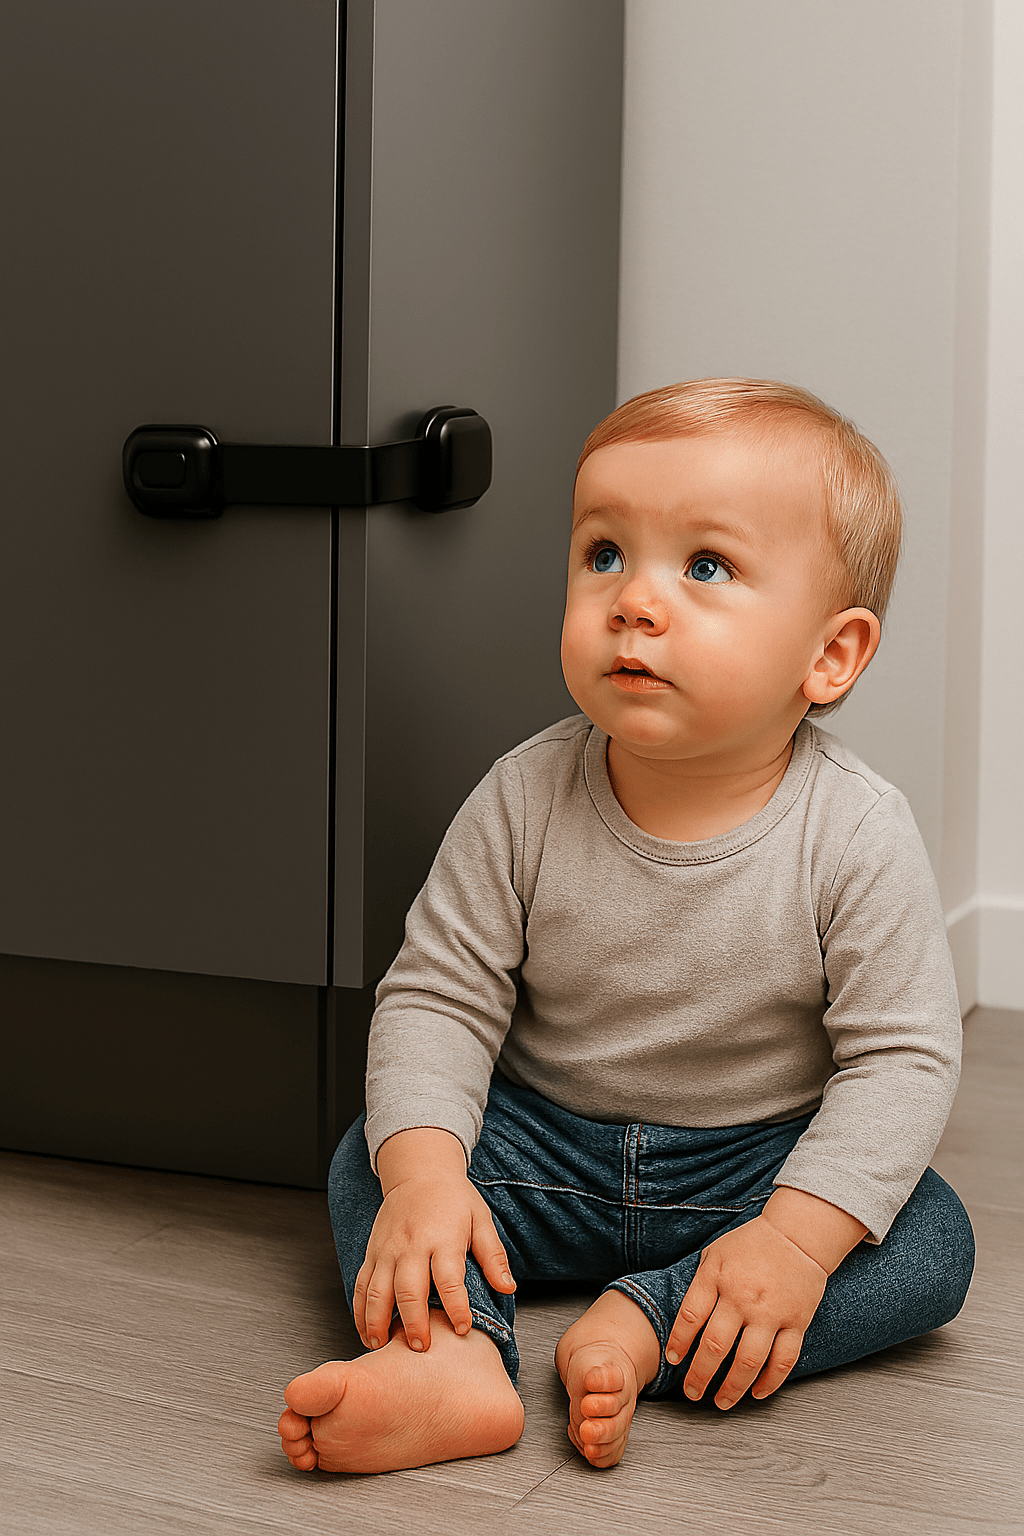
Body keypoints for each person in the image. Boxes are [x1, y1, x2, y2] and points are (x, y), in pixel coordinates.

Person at [277, 378, 974, 1476]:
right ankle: (456, 1356)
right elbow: (437, 995)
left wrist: (792, 1243)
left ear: (829, 656)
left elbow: (902, 1058)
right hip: (544, 1152)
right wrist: (427, 1180)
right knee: (372, 1157)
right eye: (604, 554)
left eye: (705, 567)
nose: (634, 602)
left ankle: (655, 1324)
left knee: (931, 1241)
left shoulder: (854, 833)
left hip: (753, 1169)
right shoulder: (521, 795)